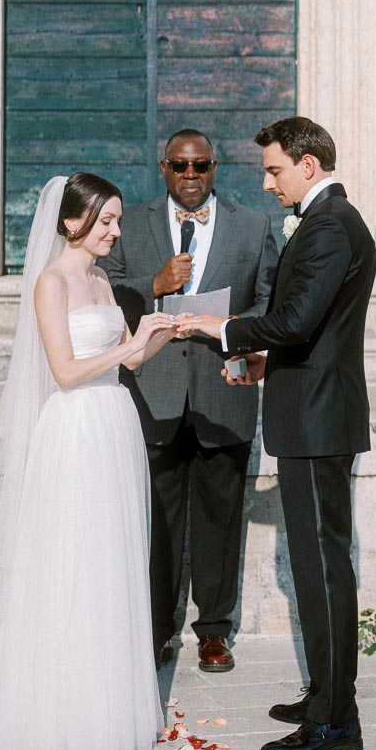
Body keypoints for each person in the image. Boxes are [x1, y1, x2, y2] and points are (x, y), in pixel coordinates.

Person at [0, 172, 180, 750]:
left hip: (113, 422)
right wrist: (124, 347)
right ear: (70, 223)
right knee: (73, 560)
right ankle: (64, 707)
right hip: (75, 426)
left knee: (111, 560)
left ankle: (109, 698)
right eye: (105, 221)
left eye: (115, 221)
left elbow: (127, 361)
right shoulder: (52, 282)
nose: (116, 231)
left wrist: (158, 332)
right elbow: (65, 371)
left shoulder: (102, 280)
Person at [181, 117, 376, 750]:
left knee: (322, 571)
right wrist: (270, 359)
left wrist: (225, 328)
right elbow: (311, 327)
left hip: (318, 420)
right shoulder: (327, 222)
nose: (268, 183)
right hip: (311, 410)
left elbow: (294, 318)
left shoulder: (328, 226)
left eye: (274, 169)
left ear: (310, 166)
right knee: (319, 567)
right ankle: (326, 693)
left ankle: (332, 720)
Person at [101, 129, 277, 673]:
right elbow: (104, 292)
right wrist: (155, 283)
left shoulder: (253, 225)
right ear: (164, 168)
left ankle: (214, 632)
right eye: (180, 167)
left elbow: (272, 298)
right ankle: (155, 631)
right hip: (153, 393)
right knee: (157, 522)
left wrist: (237, 334)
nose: (191, 176)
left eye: (201, 166)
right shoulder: (129, 224)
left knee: (221, 520)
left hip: (223, 388)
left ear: (216, 167)